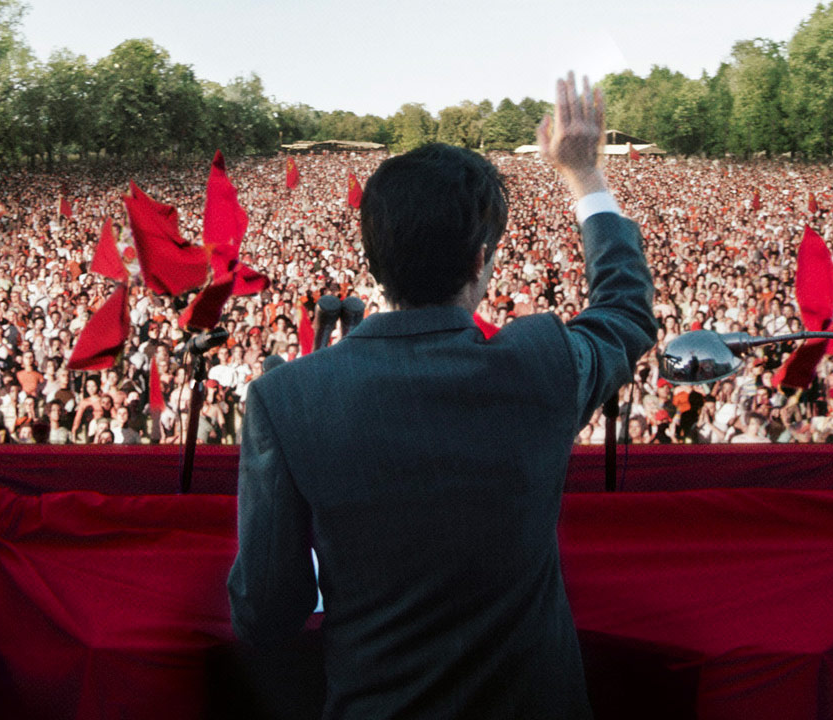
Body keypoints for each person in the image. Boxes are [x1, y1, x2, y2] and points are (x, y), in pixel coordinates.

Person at [228, 72, 657, 719]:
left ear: (373, 256)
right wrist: (584, 175)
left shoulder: (287, 400)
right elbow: (624, 309)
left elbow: (266, 614)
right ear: (481, 258)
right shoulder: (542, 364)